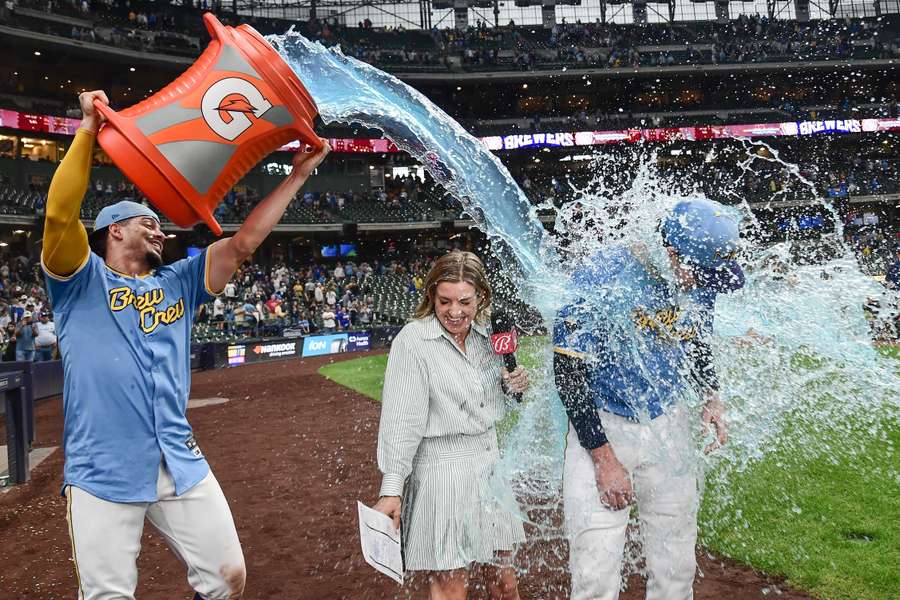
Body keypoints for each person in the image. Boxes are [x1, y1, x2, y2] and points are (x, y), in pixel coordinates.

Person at [41, 90, 329, 600]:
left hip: (178, 456)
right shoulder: (78, 280)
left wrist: (298, 174)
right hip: (102, 466)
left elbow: (242, 245)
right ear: (112, 231)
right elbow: (60, 218)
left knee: (226, 578)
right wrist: (86, 130)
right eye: (146, 222)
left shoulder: (179, 280)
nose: (159, 231)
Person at [553, 199, 745, 600]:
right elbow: (569, 374)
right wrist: (603, 459)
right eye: (699, 272)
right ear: (671, 252)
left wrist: (711, 395)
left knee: (677, 562)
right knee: (595, 569)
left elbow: (695, 338)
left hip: (667, 420)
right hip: (605, 423)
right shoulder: (604, 276)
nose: (704, 283)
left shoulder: (697, 277)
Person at [374, 251, 529, 600]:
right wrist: (392, 489)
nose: (454, 311)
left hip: (490, 464)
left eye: (464, 301)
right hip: (441, 470)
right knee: (451, 588)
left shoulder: (489, 338)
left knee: (504, 584)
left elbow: (489, 401)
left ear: (481, 298)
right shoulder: (412, 341)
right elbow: (401, 421)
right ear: (431, 296)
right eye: (444, 301)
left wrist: (511, 384)